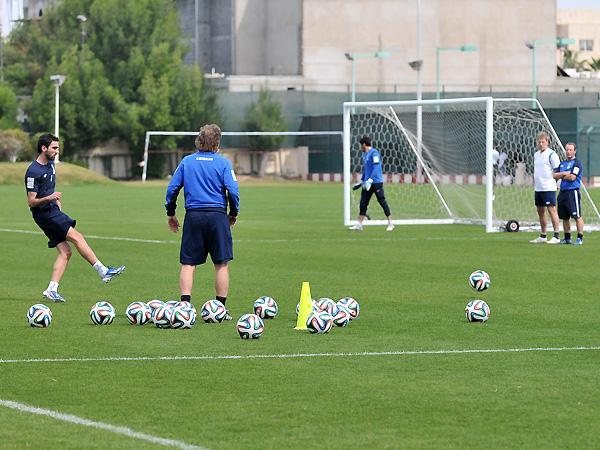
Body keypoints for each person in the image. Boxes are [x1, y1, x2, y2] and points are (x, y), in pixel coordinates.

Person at [24, 134, 125, 303]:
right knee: (77, 237)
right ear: (43, 148)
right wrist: (50, 198)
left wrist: (56, 201)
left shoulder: (51, 164)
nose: (57, 151)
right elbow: (31, 201)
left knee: (66, 252)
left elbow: (49, 187)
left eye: (58, 147)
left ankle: (51, 290)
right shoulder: (33, 171)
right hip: (44, 214)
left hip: (52, 210)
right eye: (54, 148)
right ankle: (103, 272)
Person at [165, 124, 239, 319]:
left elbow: (172, 189)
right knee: (221, 264)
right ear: (217, 143)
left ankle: (184, 309)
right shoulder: (223, 163)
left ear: (198, 140)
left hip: (194, 216)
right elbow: (233, 191)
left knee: (188, 263)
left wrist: (171, 213)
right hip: (217, 216)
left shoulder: (187, 162)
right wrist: (233, 213)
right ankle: (220, 310)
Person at [348, 135, 394, 231]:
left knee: (381, 201)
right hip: (367, 183)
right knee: (363, 203)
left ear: (364, 144)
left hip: (376, 182)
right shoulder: (365, 154)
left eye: (360, 145)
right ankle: (359, 225)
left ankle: (390, 223)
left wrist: (370, 180)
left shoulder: (374, 153)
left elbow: (376, 168)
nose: (360, 147)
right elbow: (366, 169)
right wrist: (361, 181)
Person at [530, 132, 561, 244]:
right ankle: (543, 235)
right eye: (539, 142)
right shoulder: (536, 155)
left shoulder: (552, 154)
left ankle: (556, 236)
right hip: (538, 188)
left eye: (543, 142)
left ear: (547, 142)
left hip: (549, 187)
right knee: (540, 212)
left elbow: (558, 170)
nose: (541, 144)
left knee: (552, 210)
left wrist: (558, 183)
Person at [553, 142, 584, 245]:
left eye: (570, 150)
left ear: (575, 151)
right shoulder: (562, 164)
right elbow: (554, 175)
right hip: (563, 192)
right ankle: (567, 238)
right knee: (565, 217)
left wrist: (561, 175)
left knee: (577, 215)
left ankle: (579, 238)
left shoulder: (577, 164)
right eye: (567, 150)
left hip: (572, 192)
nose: (568, 152)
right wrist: (564, 173)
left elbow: (572, 177)